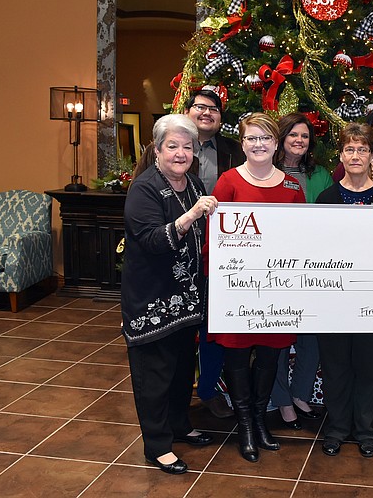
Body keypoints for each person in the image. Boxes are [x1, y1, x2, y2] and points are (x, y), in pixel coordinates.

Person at [121, 114, 219, 475]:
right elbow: (150, 240)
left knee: (180, 372)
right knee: (154, 377)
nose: (181, 153)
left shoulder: (192, 183)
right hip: (152, 302)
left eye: (187, 147)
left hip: (185, 302)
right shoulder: (144, 188)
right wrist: (191, 216)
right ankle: (157, 446)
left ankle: (180, 425)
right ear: (158, 149)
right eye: (172, 146)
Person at [207, 113, 303, 463]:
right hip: (236, 289)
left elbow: (303, 238)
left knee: (268, 356)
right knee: (235, 356)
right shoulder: (228, 182)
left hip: (278, 288)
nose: (258, 144)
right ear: (243, 143)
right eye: (251, 138)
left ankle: (261, 420)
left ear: (276, 144)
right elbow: (213, 238)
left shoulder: (292, 187)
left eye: (265, 138)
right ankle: (245, 424)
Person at [315, 122, 373, 458]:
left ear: (371, 154)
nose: (356, 155)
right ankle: (336, 428)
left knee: (367, 367)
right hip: (334, 300)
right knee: (335, 368)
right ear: (341, 155)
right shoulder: (326, 198)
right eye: (350, 149)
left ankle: (364, 429)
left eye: (363, 149)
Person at [270, 113, 333, 429]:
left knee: (313, 336)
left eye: (305, 136)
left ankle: (300, 393)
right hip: (277, 267)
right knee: (279, 335)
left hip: (315, 267)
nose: (299, 140)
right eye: (293, 134)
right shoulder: (266, 172)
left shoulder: (321, 174)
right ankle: (282, 400)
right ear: (281, 137)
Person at [185, 87, 244, 419]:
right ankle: (180, 393)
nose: (206, 113)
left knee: (213, 322)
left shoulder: (235, 151)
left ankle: (208, 388)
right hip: (179, 247)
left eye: (214, 109)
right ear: (188, 111)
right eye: (199, 107)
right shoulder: (165, 148)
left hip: (221, 252)